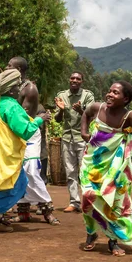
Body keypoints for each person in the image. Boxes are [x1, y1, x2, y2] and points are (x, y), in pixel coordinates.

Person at [80, 82, 132, 256]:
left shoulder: (127, 116)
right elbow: (85, 114)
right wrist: (84, 133)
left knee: (113, 201)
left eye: (115, 93)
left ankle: (113, 240)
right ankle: (91, 233)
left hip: (115, 166)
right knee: (88, 198)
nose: (109, 94)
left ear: (125, 99)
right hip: (92, 162)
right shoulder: (97, 107)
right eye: (109, 91)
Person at [0, 69, 51, 233]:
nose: (20, 89)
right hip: (8, 154)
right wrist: (40, 119)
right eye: (18, 86)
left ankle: (1, 217)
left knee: (3, 186)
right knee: (19, 185)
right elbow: (25, 130)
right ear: (12, 89)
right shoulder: (12, 106)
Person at [6, 57, 59, 225]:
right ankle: (23, 212)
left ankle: (47, 209)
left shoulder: (29, 88)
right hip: (15, 132)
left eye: (9, 65)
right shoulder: (12, 87)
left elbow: (23, 115)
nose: (6, 67)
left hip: (28, 132)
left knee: (31, 170)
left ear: (19, 69)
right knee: (19, 171)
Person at [54, 72, 95, 213]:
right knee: (70, 171)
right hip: (67, 138)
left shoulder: (88, 96)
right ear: (69, 80)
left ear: (82, 81)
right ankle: (74, 202)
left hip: (82, 138)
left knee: (85, 171)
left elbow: (91, 116)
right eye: (72, 78)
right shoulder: (62, 95)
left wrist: (81, 110)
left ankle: (88, 202)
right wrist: (60, 110)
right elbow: (58, 119)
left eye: (78, 79)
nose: (75, 80)